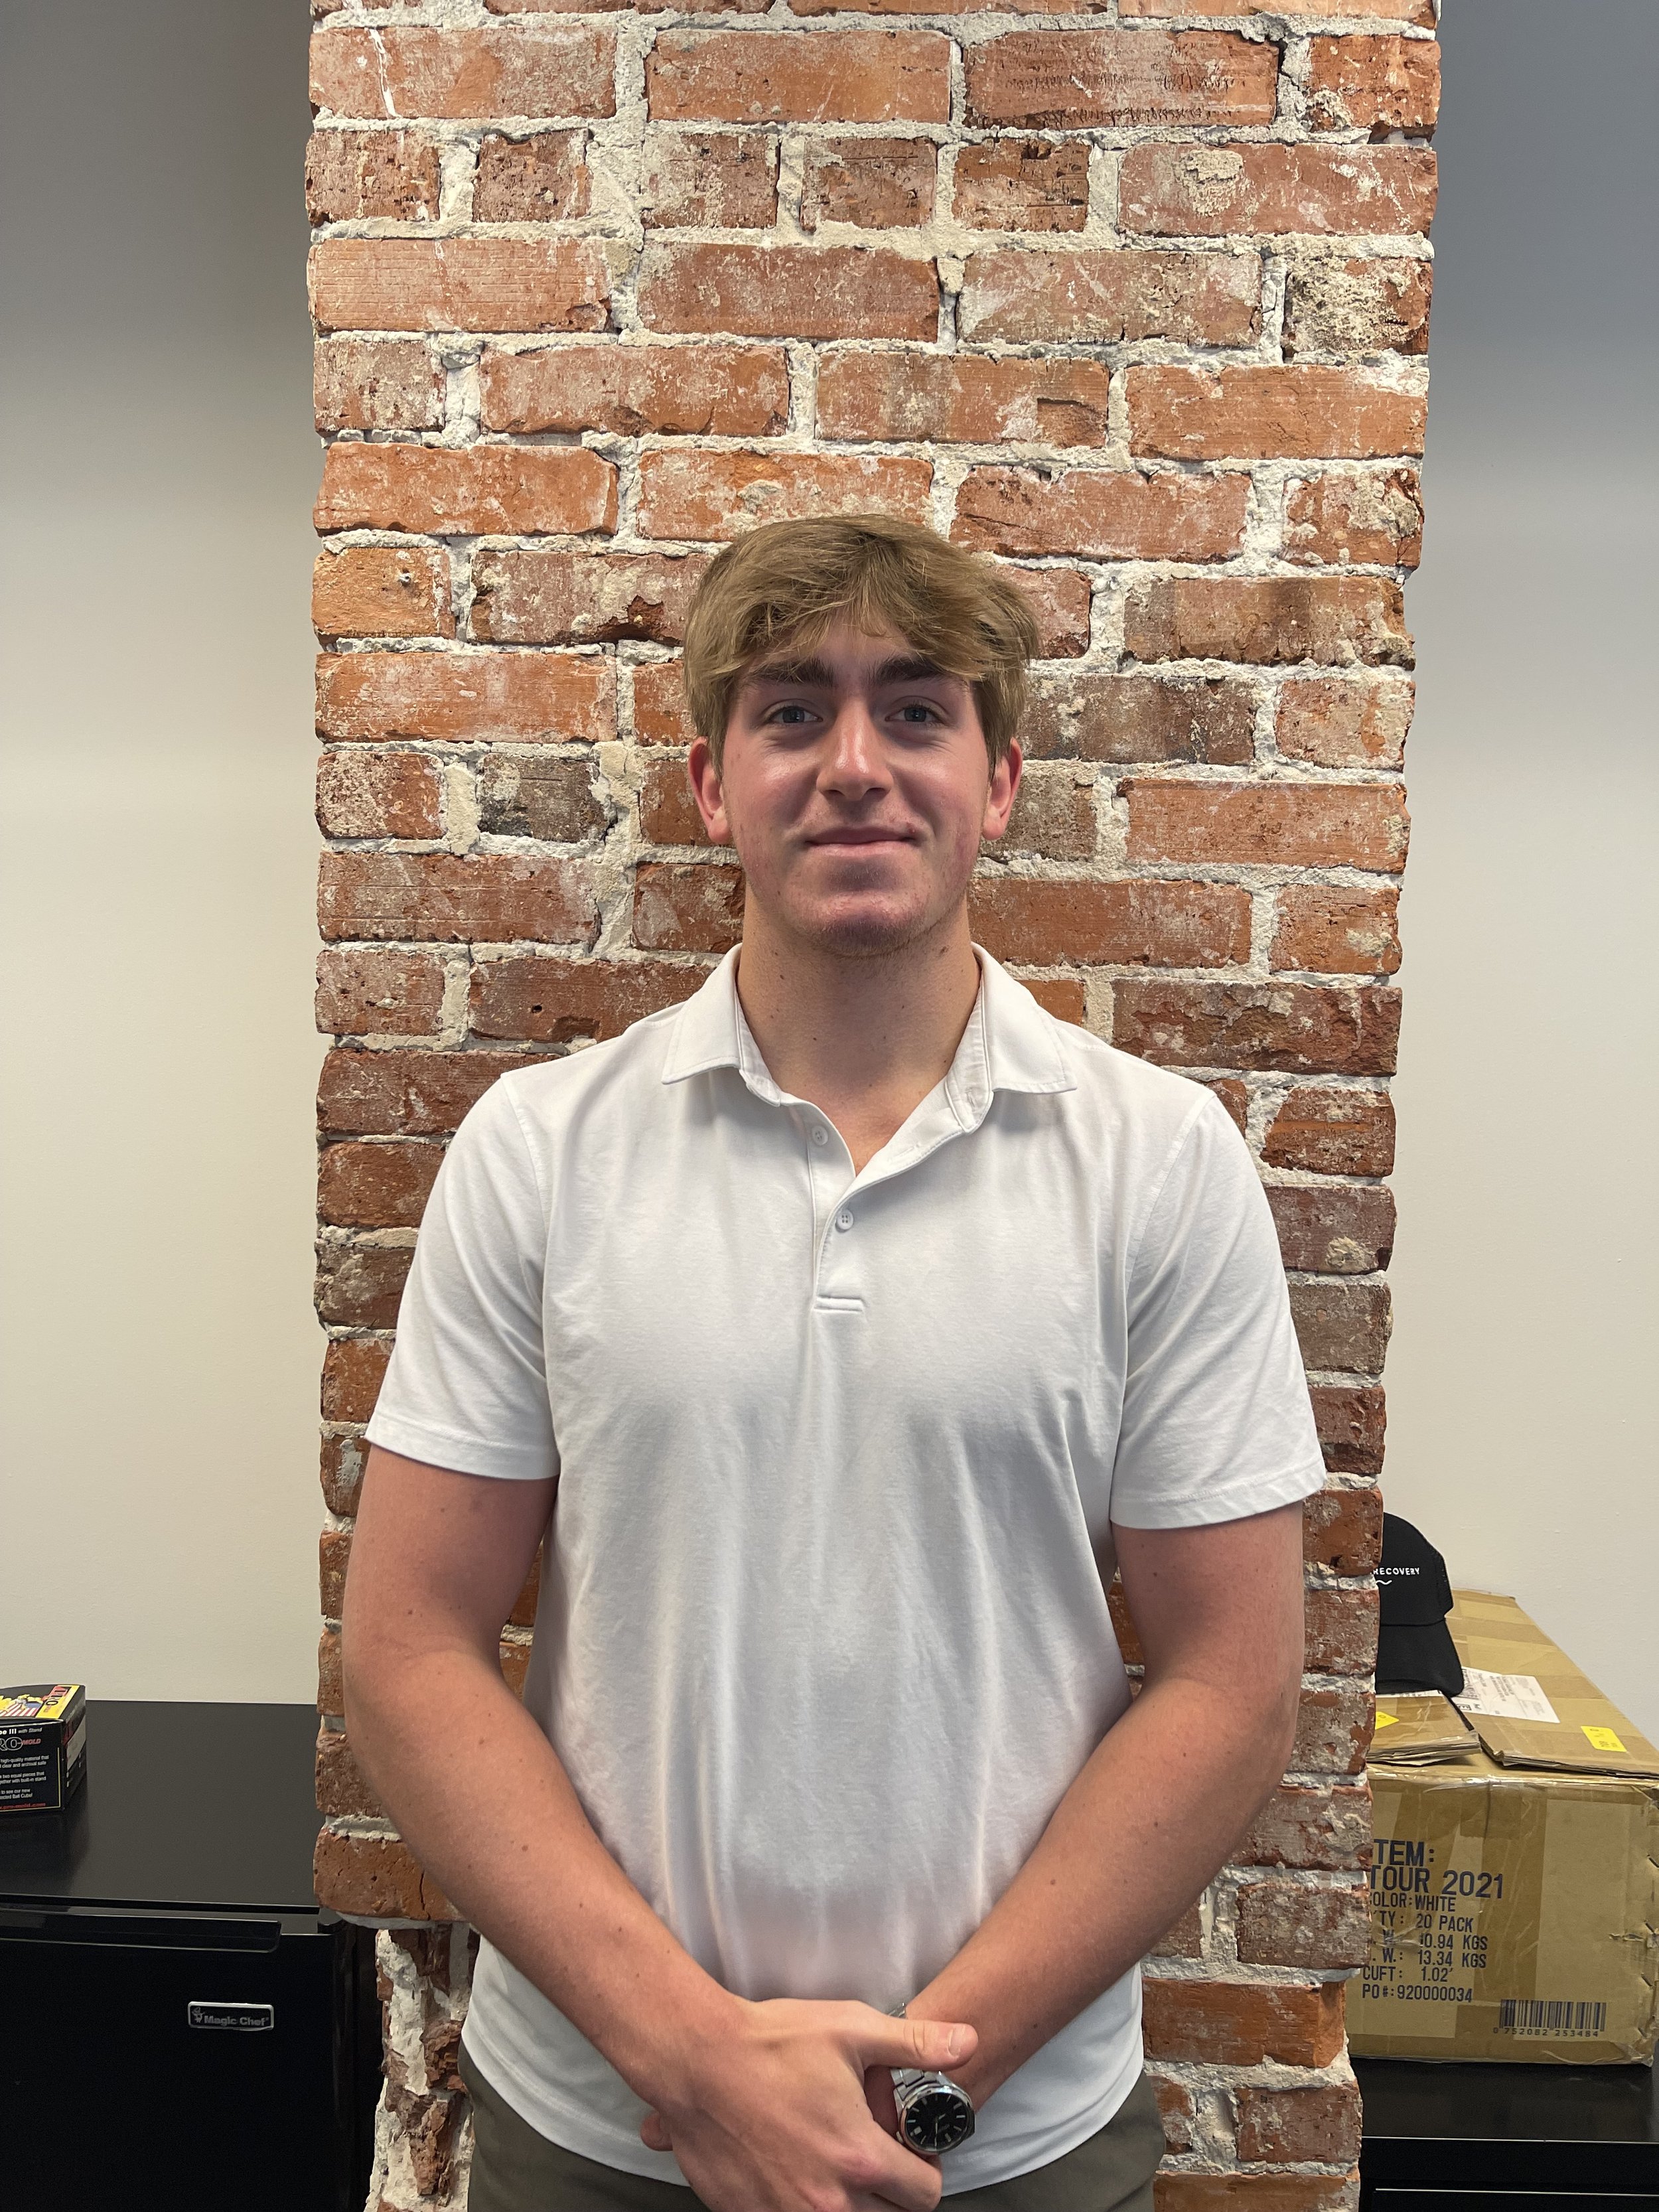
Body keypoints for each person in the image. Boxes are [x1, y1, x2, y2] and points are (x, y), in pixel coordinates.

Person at [343, 514, 1324, 2212]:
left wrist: (920, 2086)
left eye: (915, 710)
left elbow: (1232, 1682)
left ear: (995, 781)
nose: (854, 763)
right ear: (711, 786)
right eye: (791, 710)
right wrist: (694, 2062)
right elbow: (411, 1647)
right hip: (607, 2130)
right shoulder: (541, 1149)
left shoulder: (1159, 1163)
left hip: (1005, 2137)